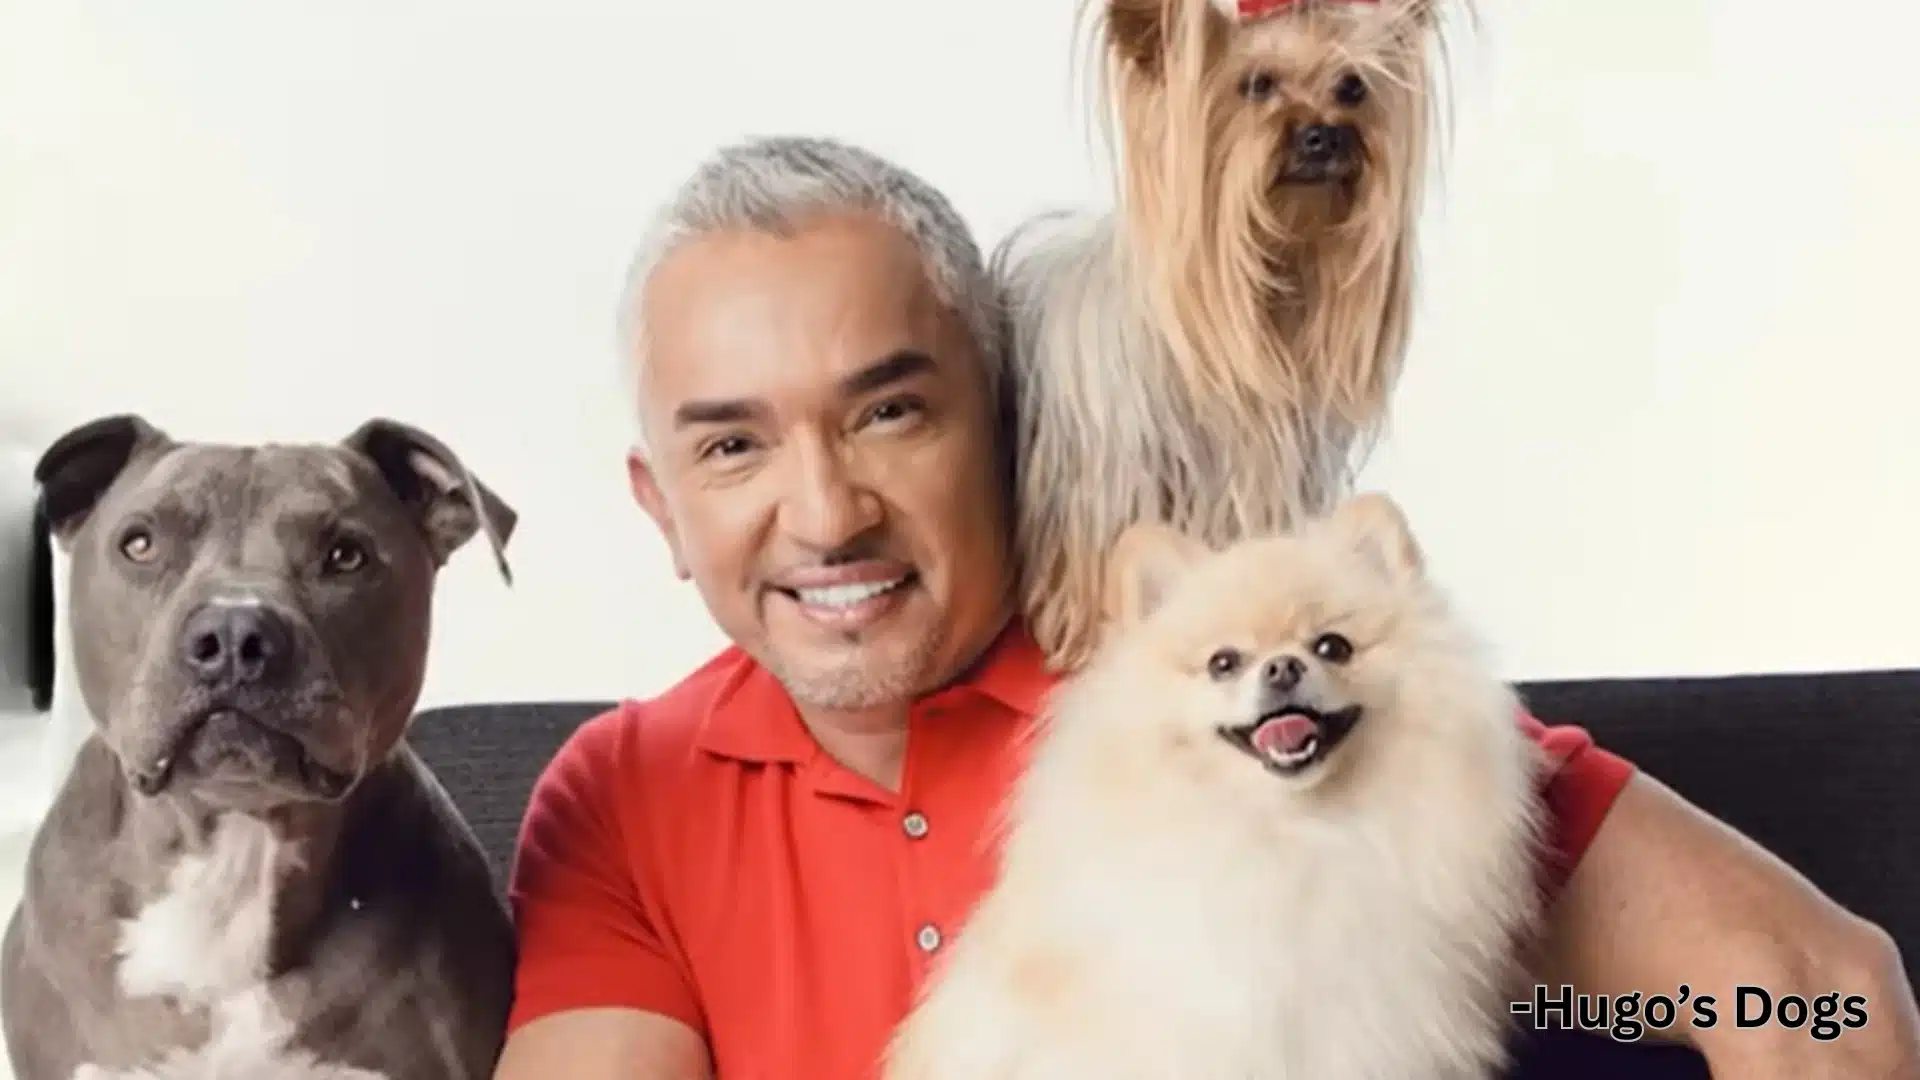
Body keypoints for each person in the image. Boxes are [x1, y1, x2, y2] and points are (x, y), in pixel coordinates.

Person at [490, 135, 1919, 1080]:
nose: (825, 511)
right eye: (733, 444)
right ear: (657, 504)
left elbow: (1821, 999)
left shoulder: (1222, 691)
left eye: (890, 413)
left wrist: (1523, 997)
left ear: (1001, 426)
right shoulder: (625, 796)